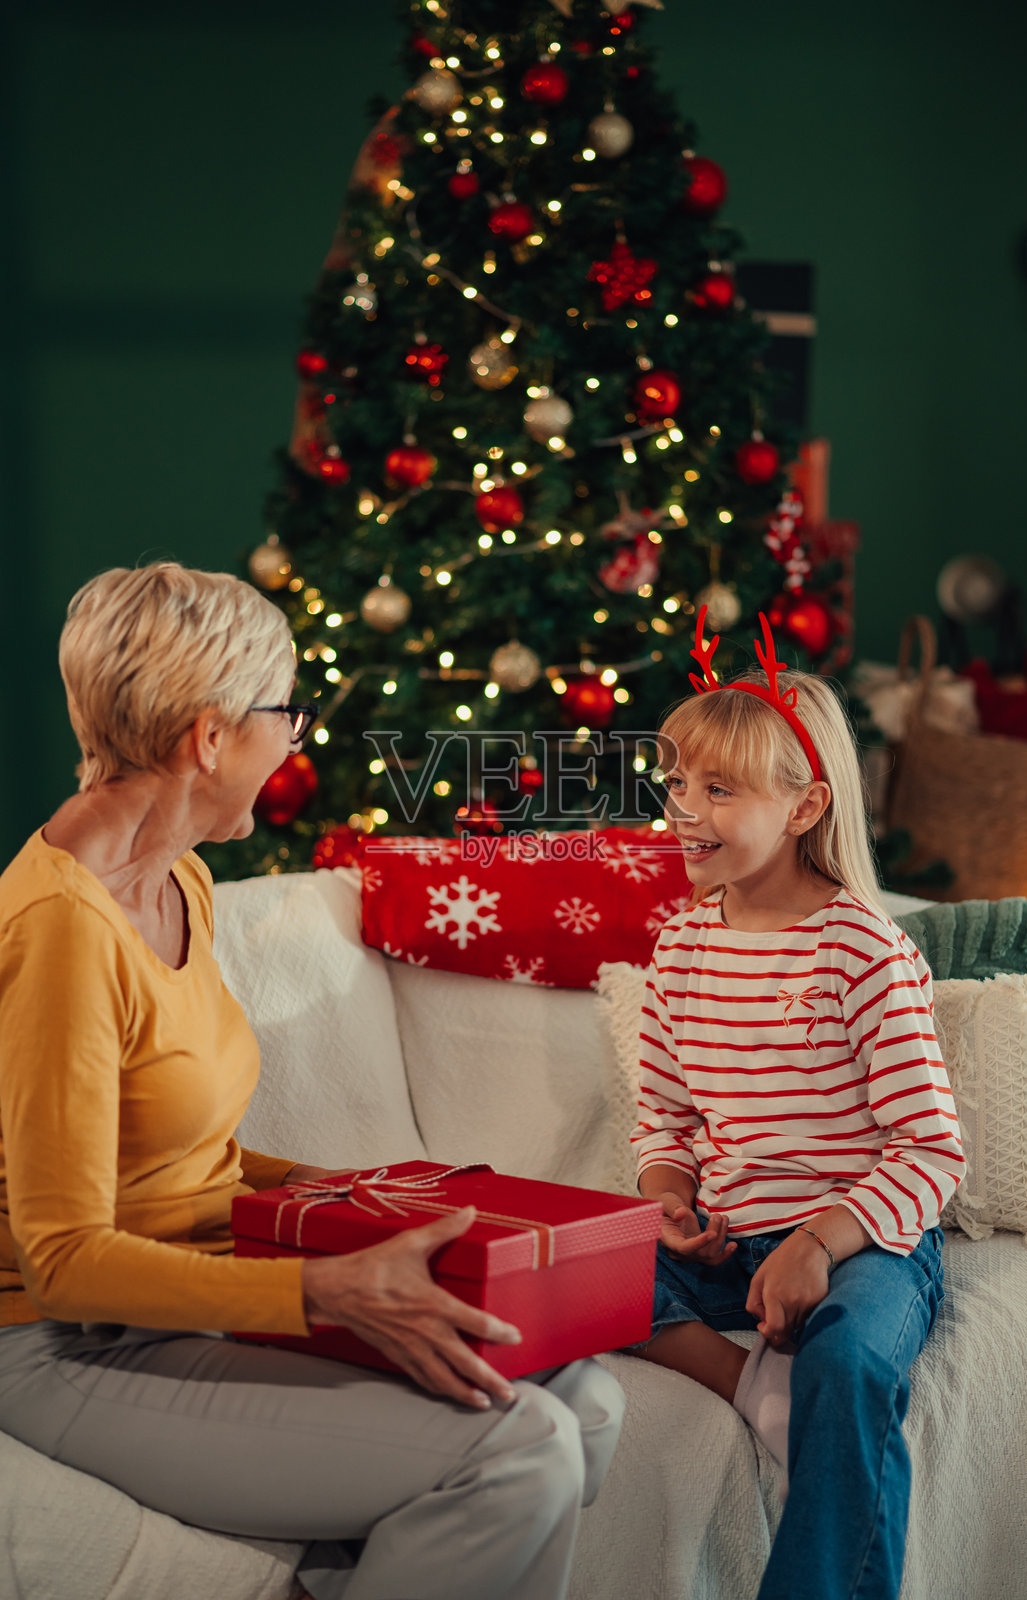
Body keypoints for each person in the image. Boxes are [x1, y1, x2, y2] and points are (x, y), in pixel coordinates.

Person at [0, 562, 624, 1600]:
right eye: (285, 713)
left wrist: (361, 1193)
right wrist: (323, 1285)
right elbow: (64, 1259)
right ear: (208, 736)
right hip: (66, 1342)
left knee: (581, 1390)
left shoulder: (180, 875)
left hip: (190, 1303)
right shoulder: (61, 930)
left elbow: (185, 1155)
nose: (297, 739)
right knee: (521, 1447)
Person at [631, 611, 965, 1600]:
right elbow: (665, 1116)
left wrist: (819, 1243)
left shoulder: (860, 948)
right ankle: (751, 1385)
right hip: (730, 1243)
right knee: (567, 1271)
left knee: (855, 1361)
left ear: (806, 804)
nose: (683, 810)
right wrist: (667, 1195)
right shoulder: (681, 945)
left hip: (863, 1242)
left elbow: (932, 1150)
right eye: (676, 784)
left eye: (717, 789)